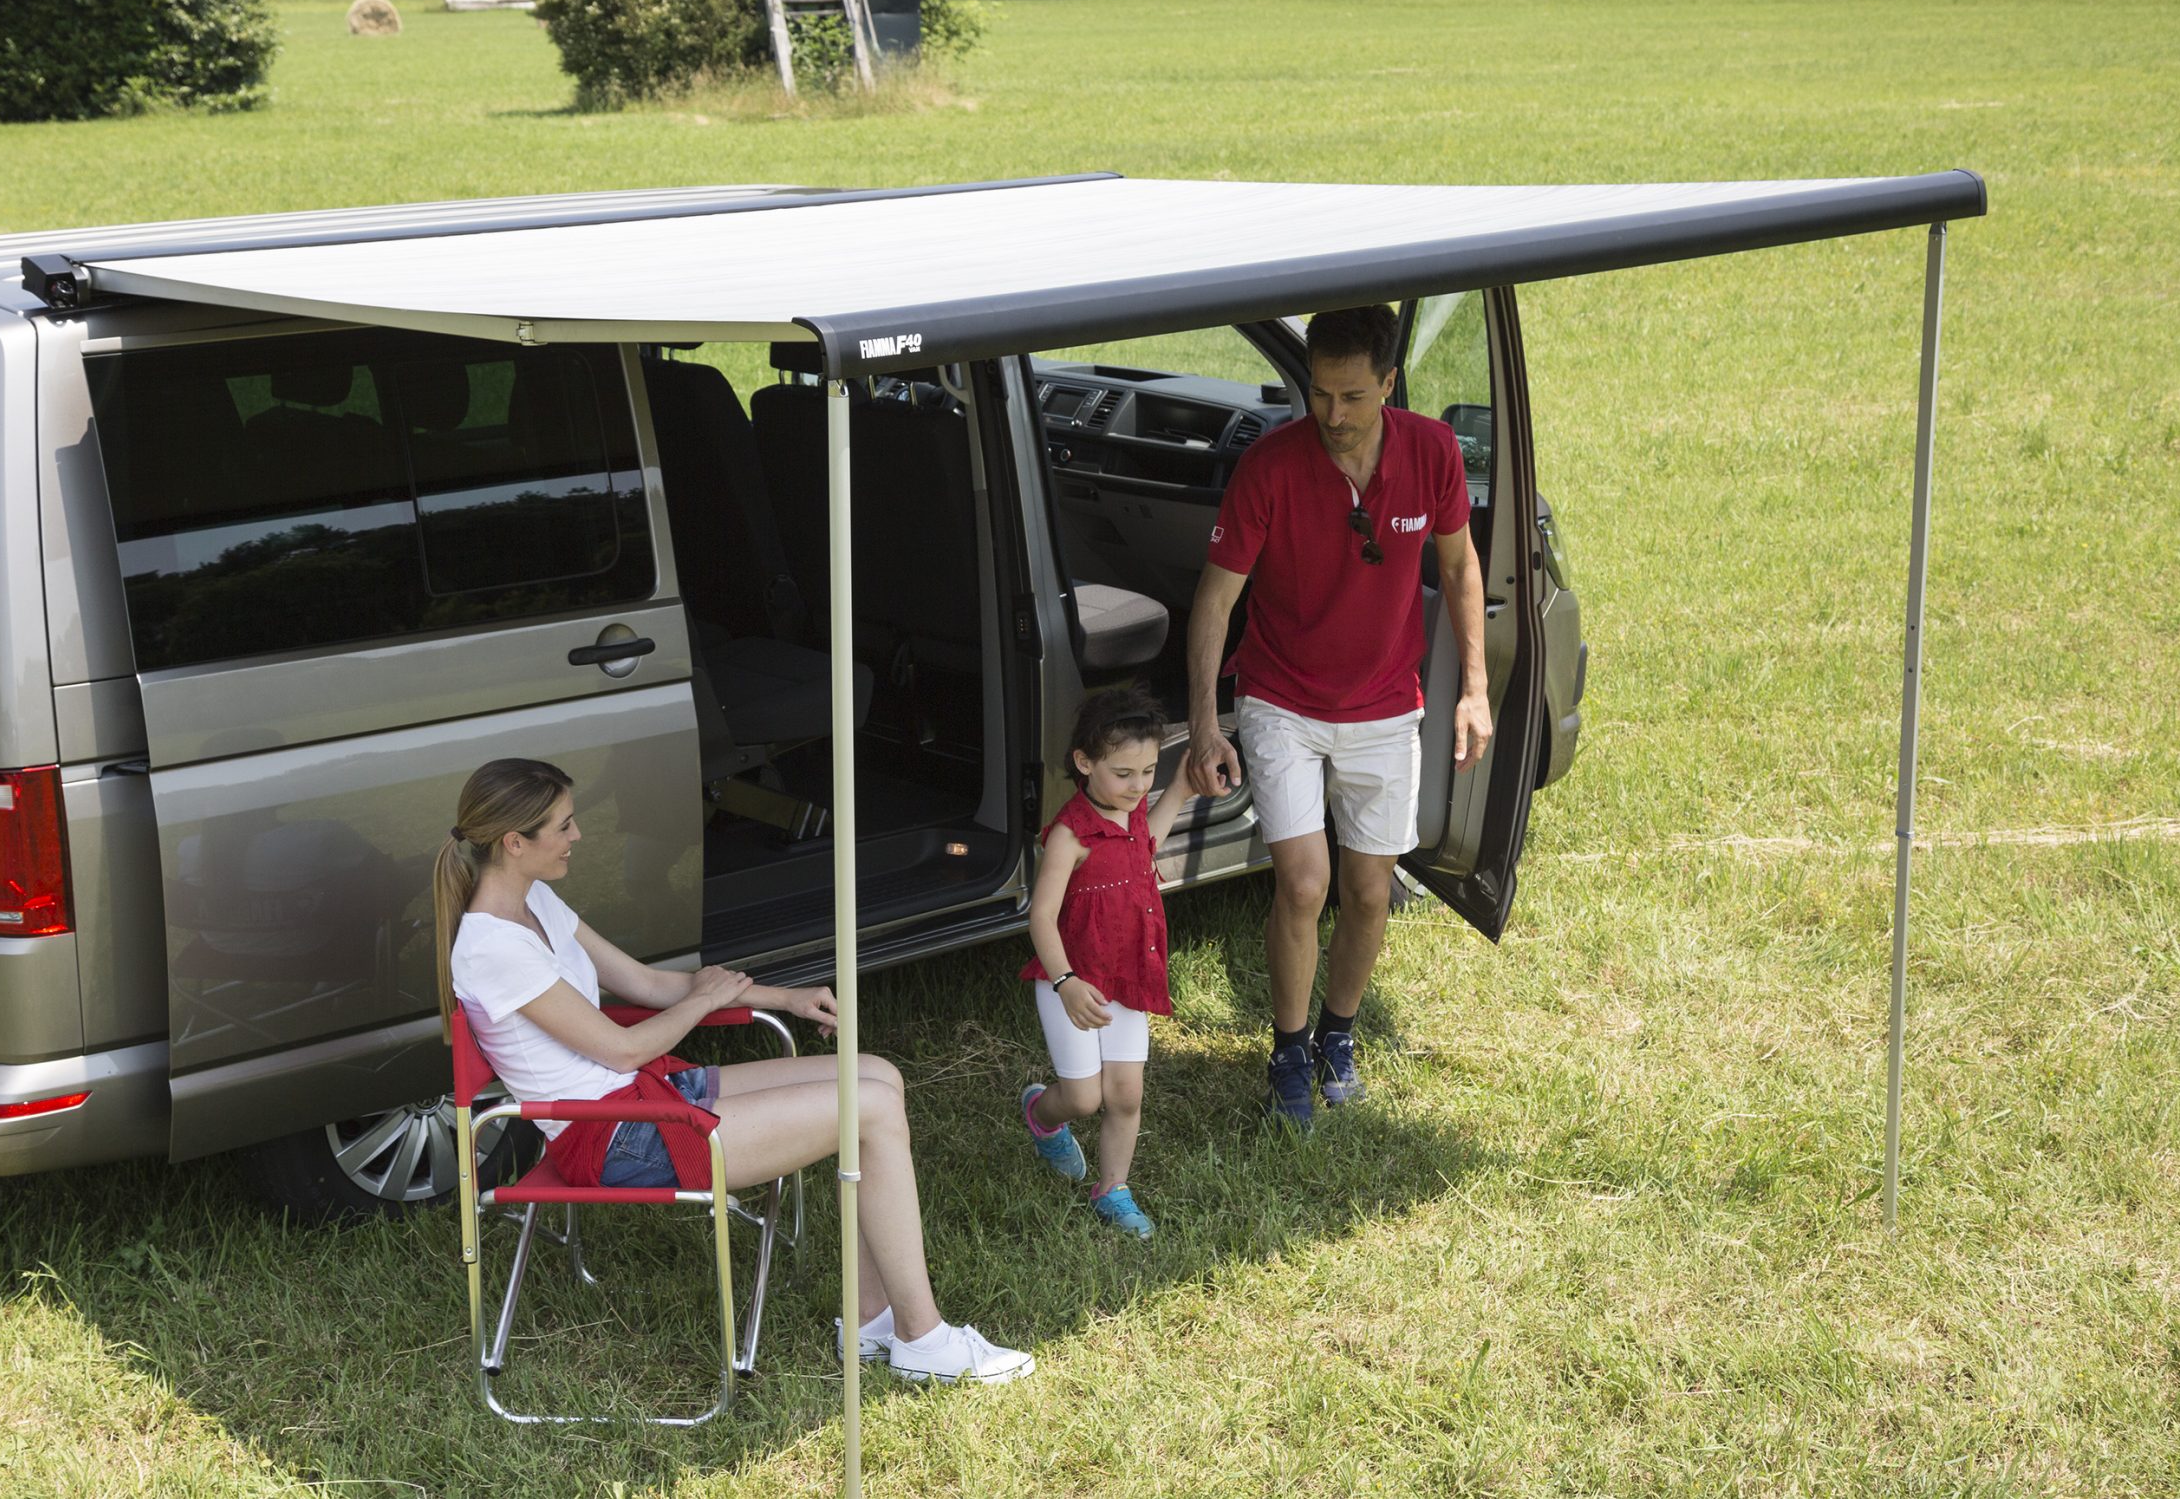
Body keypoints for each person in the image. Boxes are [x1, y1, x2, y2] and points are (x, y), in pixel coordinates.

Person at [434, 757, 1034, 1386]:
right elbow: (622, 1049)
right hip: (613, 1136)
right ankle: (923, 1337)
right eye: (563, 825)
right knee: (872, 1108)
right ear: (514, 842)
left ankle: (871, 1323)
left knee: (877, 1075)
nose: (578, 835)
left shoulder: (534, 900)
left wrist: (785, 998)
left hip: (643, 1097)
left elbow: (645, 983)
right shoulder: (492, 948)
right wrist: (702, 1002)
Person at [1182, 305, 1493, 1127]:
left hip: (1387, 704)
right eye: (1320, 393)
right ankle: (1288, 1052)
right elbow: (1215, 600)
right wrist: (1205, 723)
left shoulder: (1433, 452)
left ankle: (1338, 1033)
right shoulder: (1269, 467)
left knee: (1368, 891)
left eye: (1353, 396)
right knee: (1303, 882)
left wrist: (1475, 687)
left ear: (1389, 383)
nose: (1333, 413)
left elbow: (1462, 568)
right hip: (1280, 697)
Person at [1017, 689, 1198, 1237]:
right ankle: (1042, 1117)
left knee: (1125, 1094)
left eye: (1148, 771)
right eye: (1123, 773)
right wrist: (1066, 982)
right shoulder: (1070, 835)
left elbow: (1145, 844)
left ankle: (1113, 1189)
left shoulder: (1133, 810)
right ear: (1084, 762)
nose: (1139, 785)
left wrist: (1181, 786)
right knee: (1083, 1098)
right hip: (1071, 981)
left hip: (1127, 975)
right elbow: (1041, 917)